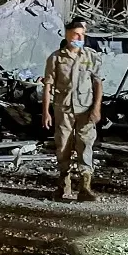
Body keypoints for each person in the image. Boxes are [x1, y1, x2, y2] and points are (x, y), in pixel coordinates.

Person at [42, 21, 103, 201]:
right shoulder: (55, 58)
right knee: (63, 145)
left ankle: (85, 187)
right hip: (64, 109)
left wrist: (97, 108)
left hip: (85, 108)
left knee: (85, 144)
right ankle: (64, 185)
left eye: (82, 34)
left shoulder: (91, 56)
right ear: (67, 35)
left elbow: (98, 83)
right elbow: (48, 86)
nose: (80, 38)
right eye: (76, 34)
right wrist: (46, 111)